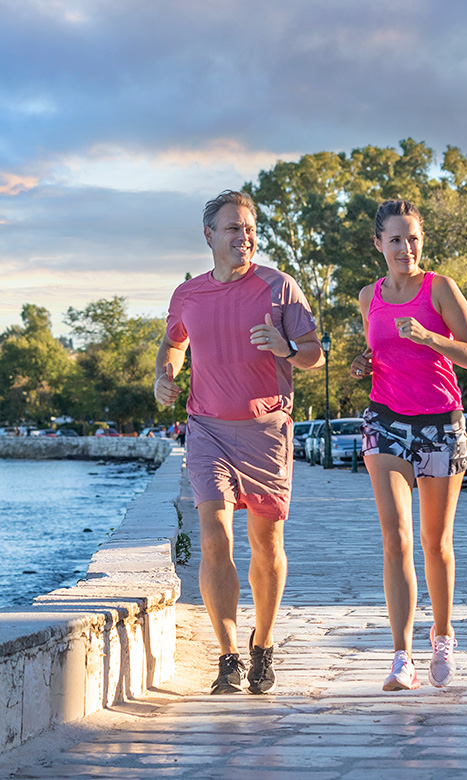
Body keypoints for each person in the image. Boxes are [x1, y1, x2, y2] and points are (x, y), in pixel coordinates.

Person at [154, 190, 323, 695]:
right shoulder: (188, 295)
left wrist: (287, 348)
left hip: (266, 431)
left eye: (249, 228)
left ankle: (263, 645)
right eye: (233, 228)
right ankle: (227, 655)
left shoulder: (279, 287)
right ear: (210, 236)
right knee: (213, 537)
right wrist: (165, 376)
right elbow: (173, 343)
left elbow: (315, 354)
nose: (244, 237)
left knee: (266, 546)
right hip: (206, 428)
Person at [351, 199, 467, 691]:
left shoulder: (441, 288)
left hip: (440, 425)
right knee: (396, 539)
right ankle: (401, 656)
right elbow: (376, 351)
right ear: (378, 244)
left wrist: (431, 338)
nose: (406, 248)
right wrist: (362, 366)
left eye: (413, 239)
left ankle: (444, 634)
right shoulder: (370, 296)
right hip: (385, 421)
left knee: (435, 543)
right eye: (395, 239)